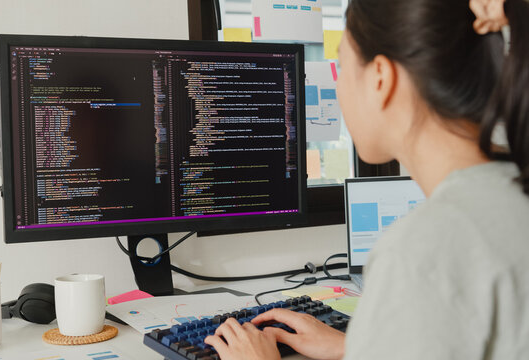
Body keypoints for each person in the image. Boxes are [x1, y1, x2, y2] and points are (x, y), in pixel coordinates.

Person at [204, 0, 529, 358]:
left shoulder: (424, 249)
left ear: (380, 79)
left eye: (342, 66)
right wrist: (357, 346)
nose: (339, 89)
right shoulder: (512, 194)